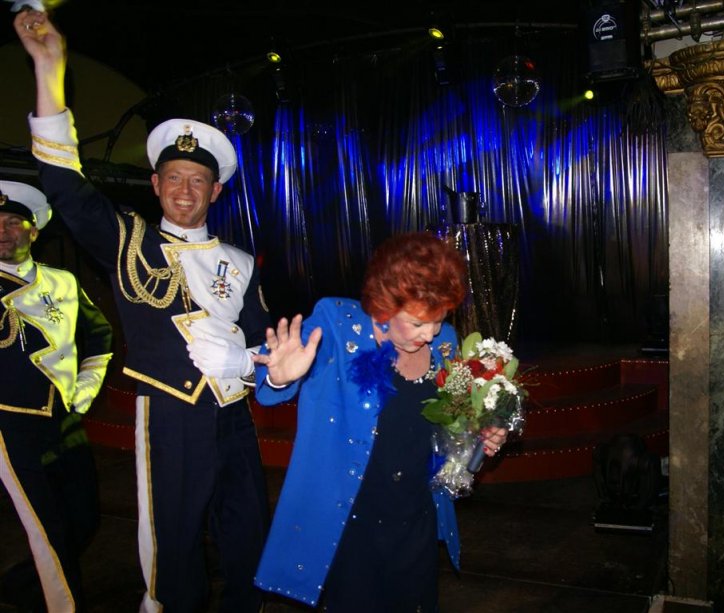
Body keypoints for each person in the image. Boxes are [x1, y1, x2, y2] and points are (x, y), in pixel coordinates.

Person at [16, 10, 272, 612]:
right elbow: (66, 188)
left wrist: (255, 361)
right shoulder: (128, 241)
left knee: (248, 539)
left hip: (234, 419)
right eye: (173, 178)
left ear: (215, 191)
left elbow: (265, 343)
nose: (185, 190)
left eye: (197, 181)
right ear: (155, 186)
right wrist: (49, 70)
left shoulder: (241, 261)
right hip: (170, 415)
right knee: (173, 548)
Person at [252, 232, 508, 611]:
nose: (430, 334)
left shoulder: (445, 343)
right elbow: (272, 381)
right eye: (418, 323)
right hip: (350, 521)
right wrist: (280, 376)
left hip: (415, 517)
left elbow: (448, 427)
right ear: (385, 305)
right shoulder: (337, 325)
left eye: (439, 320)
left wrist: (479, 435)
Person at [0, 180, 113, 613]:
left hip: (65, 420)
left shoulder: (63, 281)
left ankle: (18, 587)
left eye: (14, 222)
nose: (4, 231)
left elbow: (99, 335)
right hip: (9, 424)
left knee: (83, 519)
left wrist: (85, 389)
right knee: (47, 529)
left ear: (34, 231)